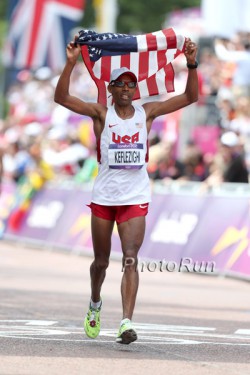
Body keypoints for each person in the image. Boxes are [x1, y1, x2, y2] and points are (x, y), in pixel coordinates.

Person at [54, 36, 198, 344]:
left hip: (135, 197)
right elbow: (62, 98)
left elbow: (189, 97)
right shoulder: (100, 114)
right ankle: (95, 304)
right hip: (104, 198)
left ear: (135, 90)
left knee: (130, 257)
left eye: (130, 85)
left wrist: (191, 63)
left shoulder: (146, 113)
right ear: (111, 89)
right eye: (119, 84)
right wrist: (70, 63)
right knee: (101, 262)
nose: (125, 89)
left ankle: (126, 322)